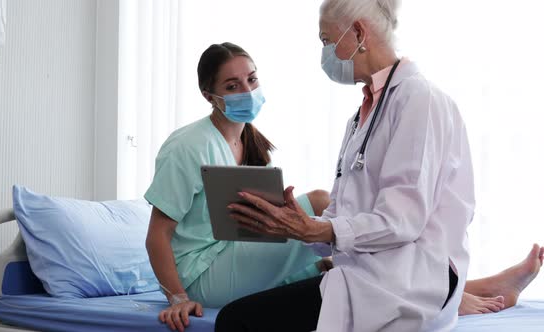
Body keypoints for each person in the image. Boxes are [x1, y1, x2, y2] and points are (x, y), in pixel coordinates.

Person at [215, 0, 486, 330]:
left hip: (409, 279)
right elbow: (342, 216)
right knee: (244, 315)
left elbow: (402, 221)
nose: (324, 53)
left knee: (236, 321)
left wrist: (319, 229)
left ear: (358, 32)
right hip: (367, 273)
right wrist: (293, 226)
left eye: (326, 40)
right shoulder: (360, 117)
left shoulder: (420, 100)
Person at [144, 42, 333, 332]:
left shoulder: (251, 144)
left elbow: (256, 230)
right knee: (322, 202)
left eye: (251, 79)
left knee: (322, 238)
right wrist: (177, 298)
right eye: (232, 86)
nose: (247, 91)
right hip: (198, 276)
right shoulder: (188, 146)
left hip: (230, 257)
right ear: (210, 96)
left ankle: (333, 272)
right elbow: (157, 234)